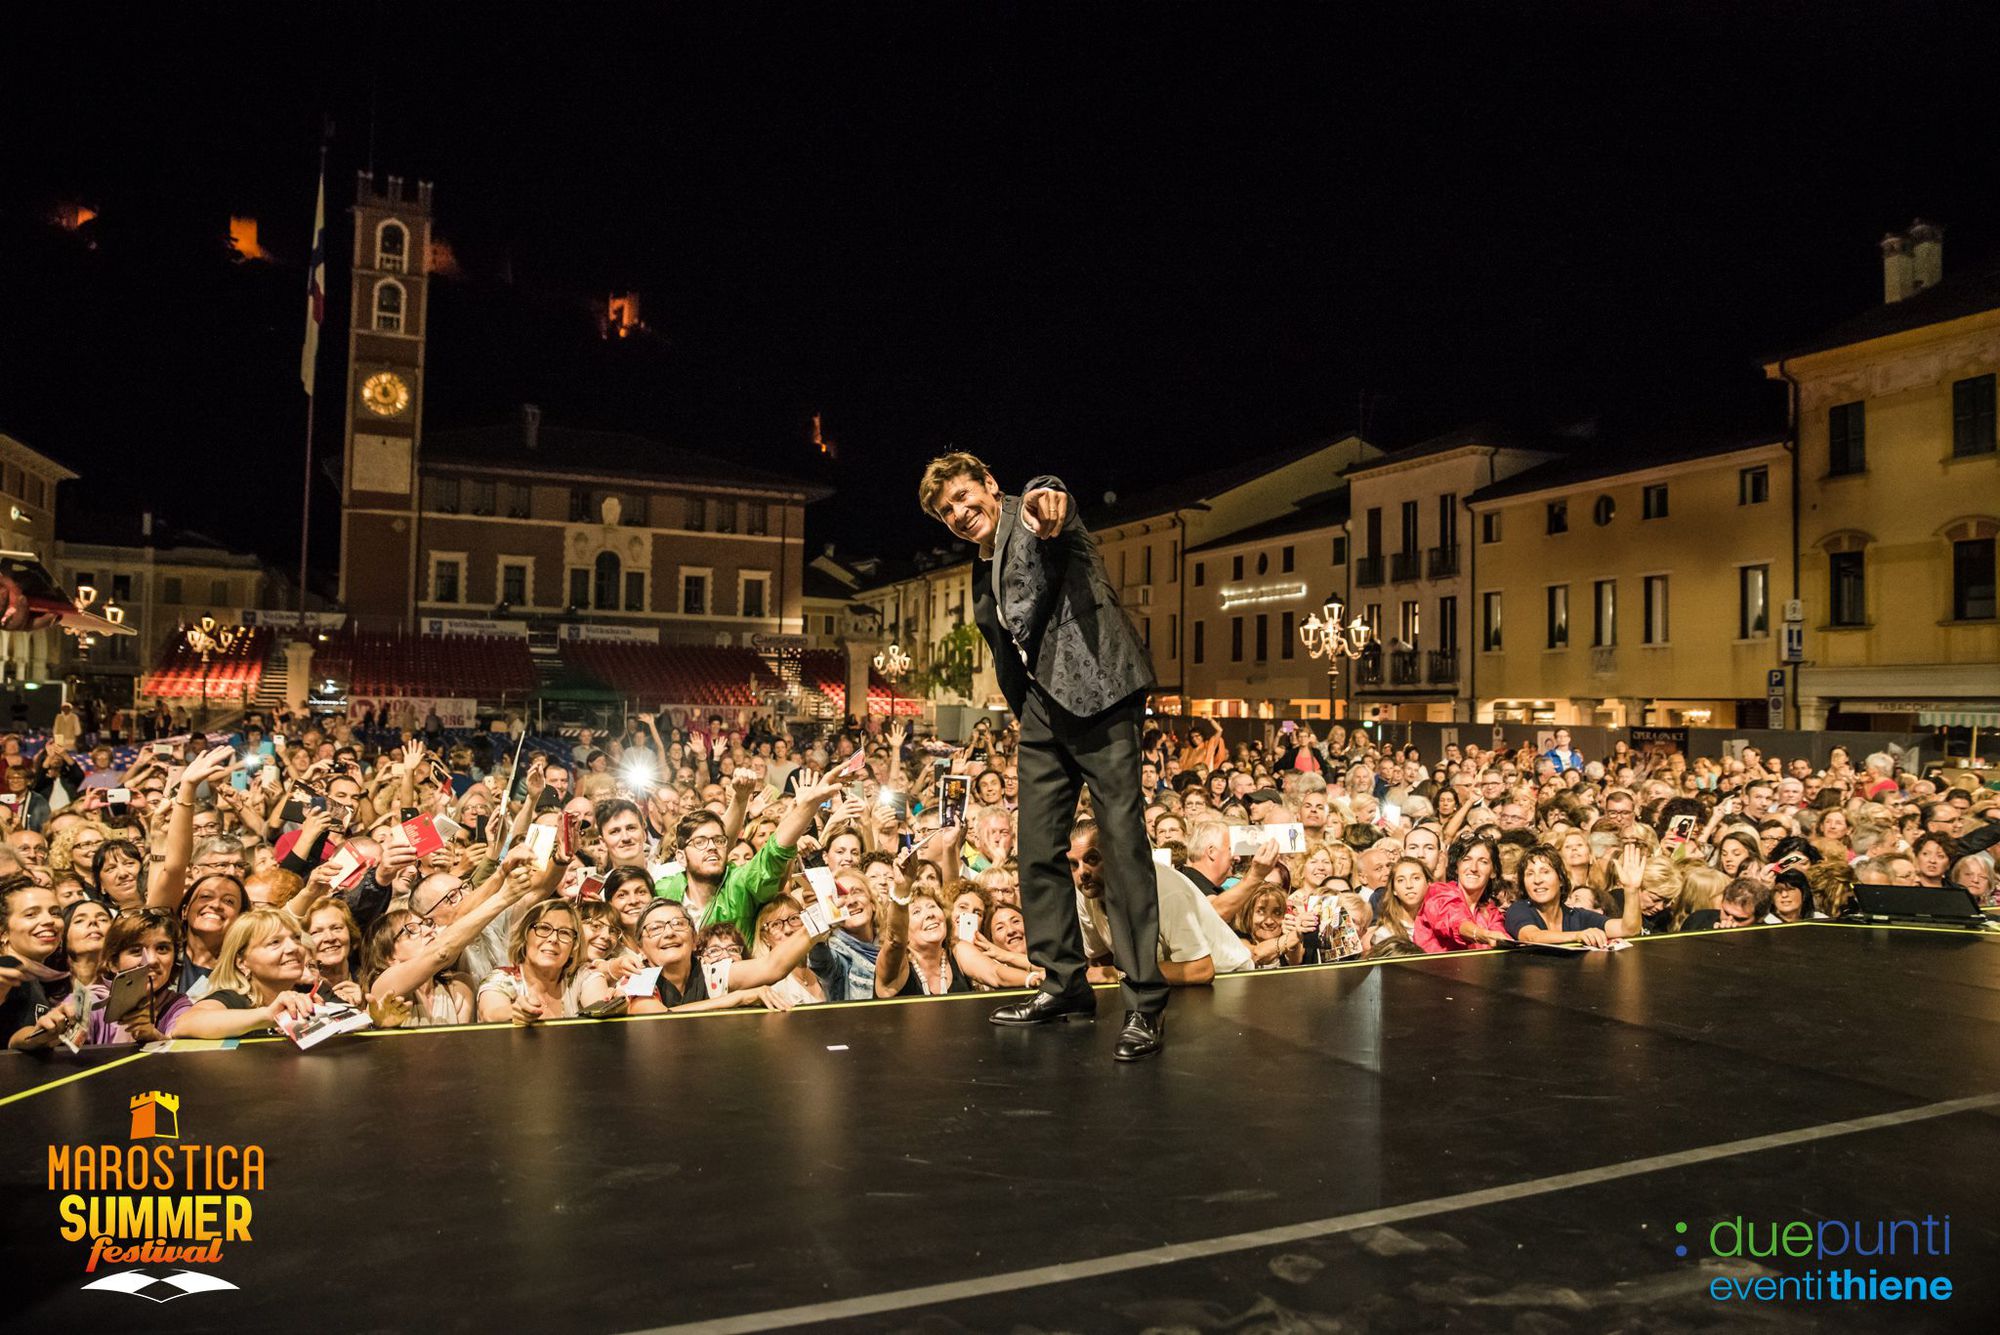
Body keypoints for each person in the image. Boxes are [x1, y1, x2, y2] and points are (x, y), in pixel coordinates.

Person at [923, 451, 1166, 1061]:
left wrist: (1048, 495)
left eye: (963, 496)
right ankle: (1064, 985)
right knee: (1035, 849)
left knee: (1122, 843)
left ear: (990, 484)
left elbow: (1050, 498)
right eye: (945, 510)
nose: (958, 512)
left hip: (1103, 697)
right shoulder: (981, 563)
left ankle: (1144, 1004)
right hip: (1040, 710)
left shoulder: (1033, 516)